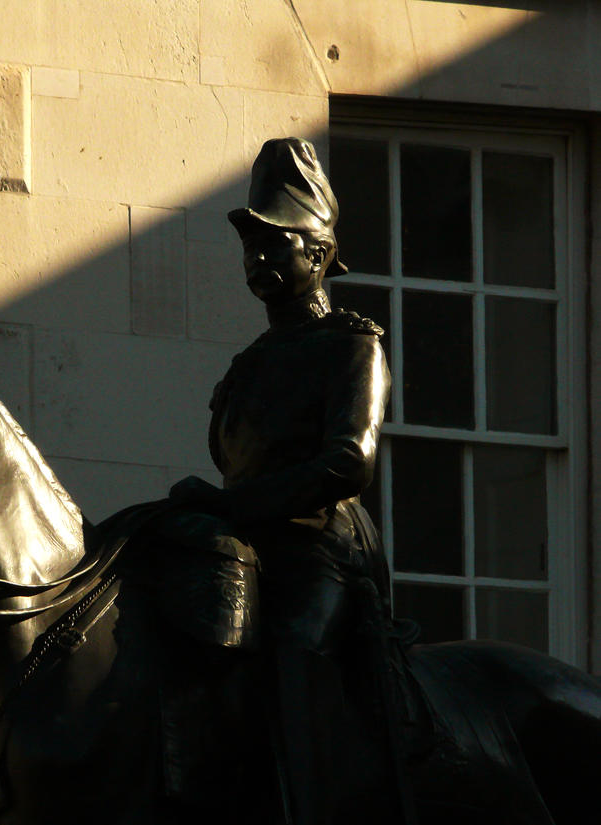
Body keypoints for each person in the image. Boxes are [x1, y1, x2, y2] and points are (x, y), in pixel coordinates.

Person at [168, 137, 391, 825]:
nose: (258, 258)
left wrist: (232, 503)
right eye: (251, 244)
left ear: (320, 253)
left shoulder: (352, 344)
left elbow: (348, 462)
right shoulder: (248, 364)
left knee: (296, 647)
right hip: (245, 548)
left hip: (320, 548)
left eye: (277, 242)